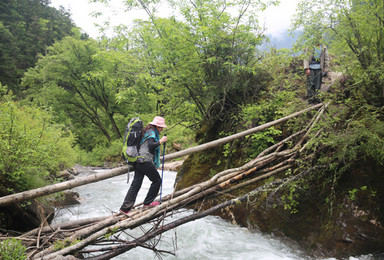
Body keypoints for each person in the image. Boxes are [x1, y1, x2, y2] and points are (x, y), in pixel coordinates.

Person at [119, 116, 168, 214]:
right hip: (145, 161)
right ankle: (148, 202)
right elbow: (151, 145)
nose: (162, 129)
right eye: (161, 127)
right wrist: (161, 141)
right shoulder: (151, 132)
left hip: (138, 161)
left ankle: (125, 208)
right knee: (157, 180)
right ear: (156, 126)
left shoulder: (147, 131)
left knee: (136, 184)